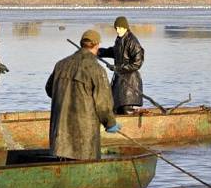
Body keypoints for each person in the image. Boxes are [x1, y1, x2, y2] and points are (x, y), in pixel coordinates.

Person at [45, 29, 120, 160]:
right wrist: (110, 123)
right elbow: (102, 104)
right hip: (84, 138)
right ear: (97, 45)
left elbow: (49, 90)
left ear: (81, 44)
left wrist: (67, 98)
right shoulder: (97, 70)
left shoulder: (61, 65)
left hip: (60, 138)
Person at [98, 16, 144, 115]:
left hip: (130, 83)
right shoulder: (120, 39)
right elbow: (115, 52)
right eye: (116, 28)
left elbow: (137, 64)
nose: (117, 30)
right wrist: (99, 52)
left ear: (125, 27)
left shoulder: (133, 42)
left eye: (120, 28)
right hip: (119, 80)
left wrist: (118, 68)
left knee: (126, 110)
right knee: (114, 108)